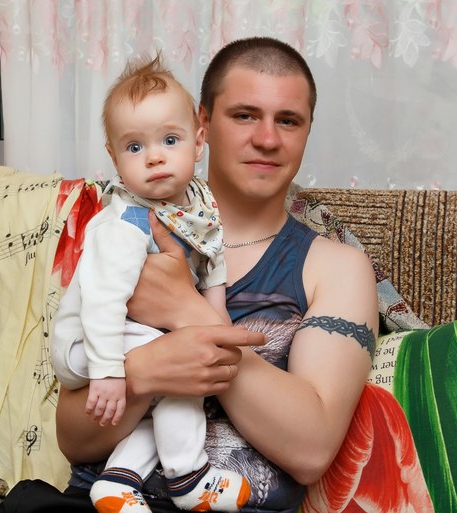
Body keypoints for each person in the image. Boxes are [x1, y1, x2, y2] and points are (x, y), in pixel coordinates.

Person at [53, 36, 378, 513]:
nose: (267, 138)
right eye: (245, 115)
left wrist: (186, 310)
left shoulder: (337, 266)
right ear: (202, 125)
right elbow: (72, 440)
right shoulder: (128, 229)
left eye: (288, 120)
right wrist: (145, 370)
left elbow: (311, 451)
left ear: (308, 131)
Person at [50, 55, 251, 513]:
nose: (155, 156)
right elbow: (102, 301)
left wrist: (215, 314)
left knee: (164, 389)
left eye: (170, 140)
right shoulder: (126, 223)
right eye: (135, 147)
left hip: (126, 335)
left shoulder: (197, 205)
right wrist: (107, 372)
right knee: (184, 364)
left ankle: (118, 481)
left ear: (198, 141)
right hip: (88, 341)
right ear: (114, 158)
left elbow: (213, 257)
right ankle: (188, 476)